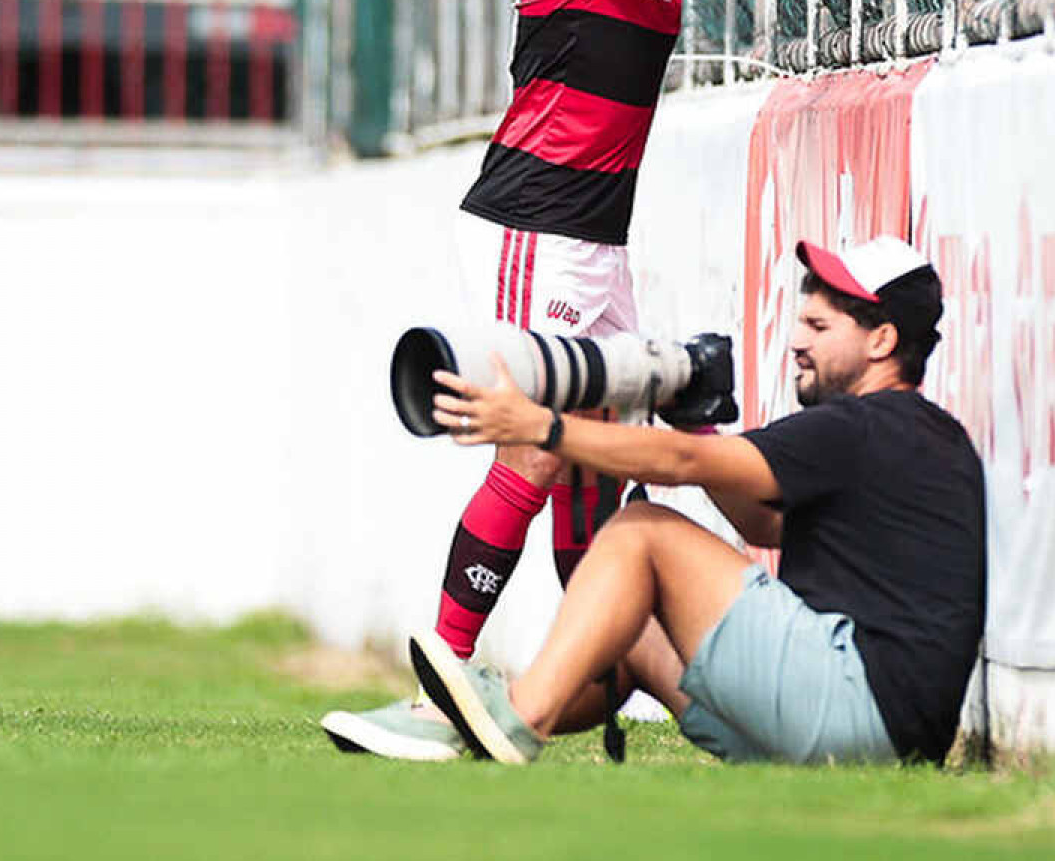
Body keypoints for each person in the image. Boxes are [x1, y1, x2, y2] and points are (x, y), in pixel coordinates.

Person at [322, 0, 823, 760]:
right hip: (531, 227)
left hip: (595, 242)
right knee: (535, 448)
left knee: (603, 453)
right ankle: (441, 684)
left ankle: (596, 678)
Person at [396, 237, 985, 767]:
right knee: (634, 624)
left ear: (882, 340)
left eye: (818, 326)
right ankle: (469, 724)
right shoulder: (919, 434)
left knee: (641, 530)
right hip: (877, 733)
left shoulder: (862, 426)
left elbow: (683, 462)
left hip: (855, 715)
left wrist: (540, 426)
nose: (796, 341)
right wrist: (696, 421)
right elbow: (765, 526)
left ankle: (518, 719)